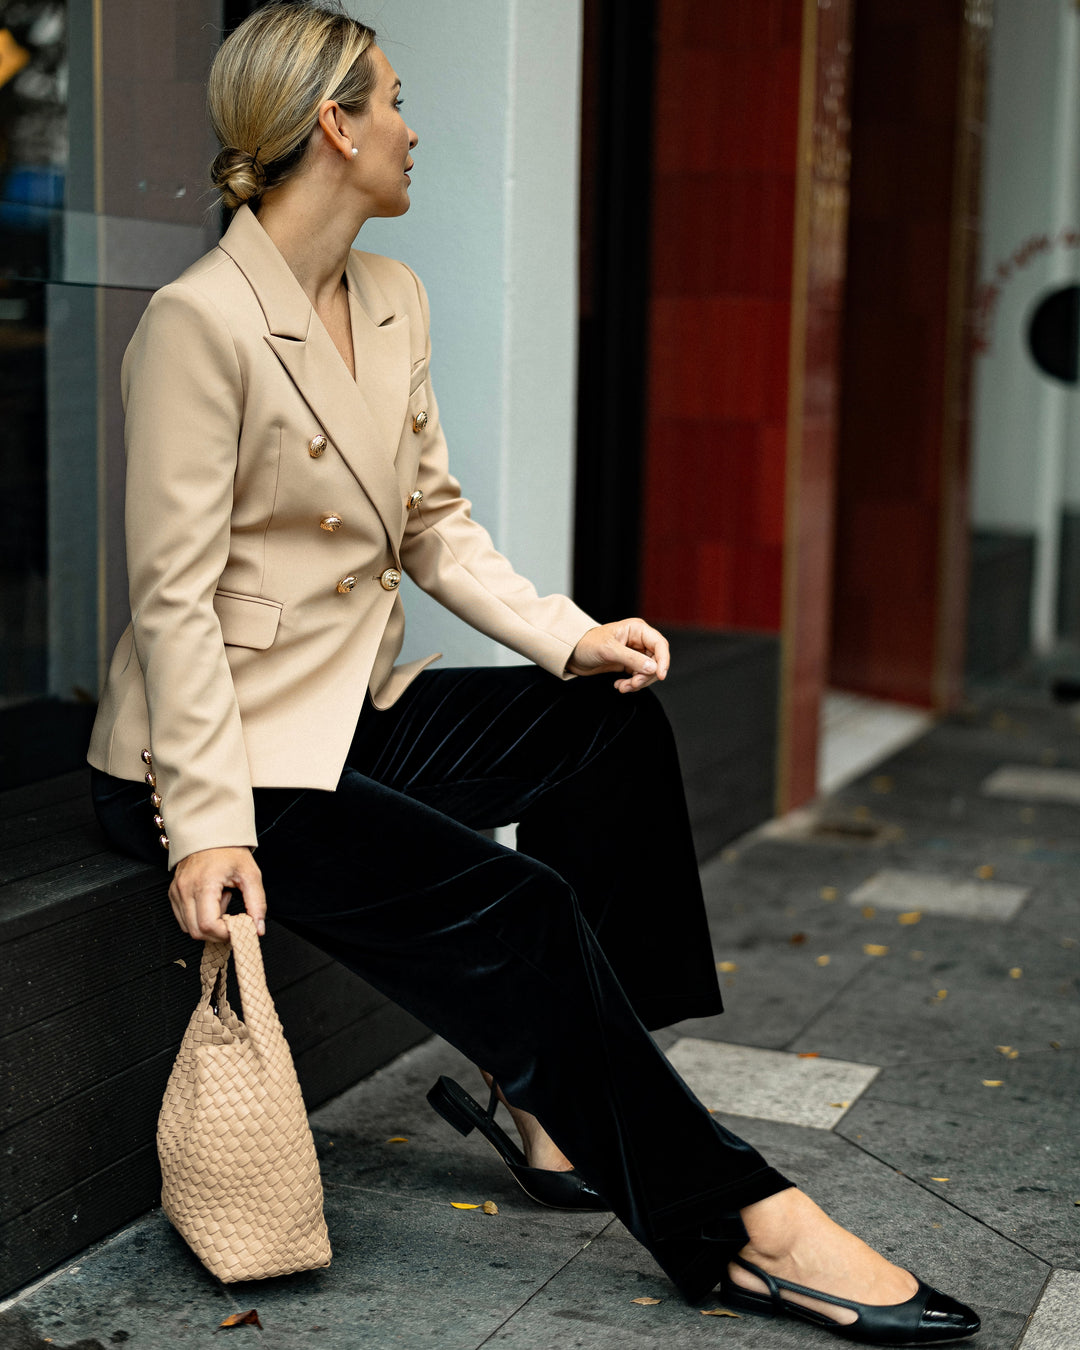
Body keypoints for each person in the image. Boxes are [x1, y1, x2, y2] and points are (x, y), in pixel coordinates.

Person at [87, 4, 979, 1342]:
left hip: (353, 719)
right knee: (520, 905)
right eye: (393, 99)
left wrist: (570, 636)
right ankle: (739, 1221)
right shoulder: (196, 324)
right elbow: (172, 602)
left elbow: (435, 522)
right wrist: (207, 828)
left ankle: (564, 1102)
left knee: (608, 725)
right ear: (333, 125)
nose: (413, 124)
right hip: (211, 763)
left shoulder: (391, 298)